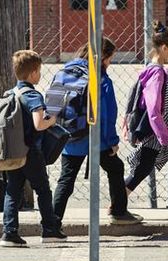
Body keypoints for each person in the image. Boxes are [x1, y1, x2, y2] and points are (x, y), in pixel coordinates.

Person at [51, 39, 143, 227]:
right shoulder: (101, 79)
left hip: (70, 135)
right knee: (115, 167)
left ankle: (52, 223)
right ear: (103, 58)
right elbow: (107, 115)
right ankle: (119, 213)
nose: (110, 62)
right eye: (110, 58)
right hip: (95, 138)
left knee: (66, 179)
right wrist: (112, 141)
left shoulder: (66, 71)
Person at [0, 50, 65, 247]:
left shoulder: (10, 93)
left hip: (14, 152)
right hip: (31, 152)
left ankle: (9, 232)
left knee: (13, 190)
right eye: (39, 71)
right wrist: (52, 118)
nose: (40, 74)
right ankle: (49, 229)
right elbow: (39, 124)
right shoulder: (32, 95)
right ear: (33, 73)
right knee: (43, 190)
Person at [124, 22, 168, 214]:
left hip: (158, 128)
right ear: (164, 48)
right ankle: (117, 201)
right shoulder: (157, 73)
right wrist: (163, 135)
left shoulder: (153, 69)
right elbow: (152, 107)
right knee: (144, 169)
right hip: (157, 130)